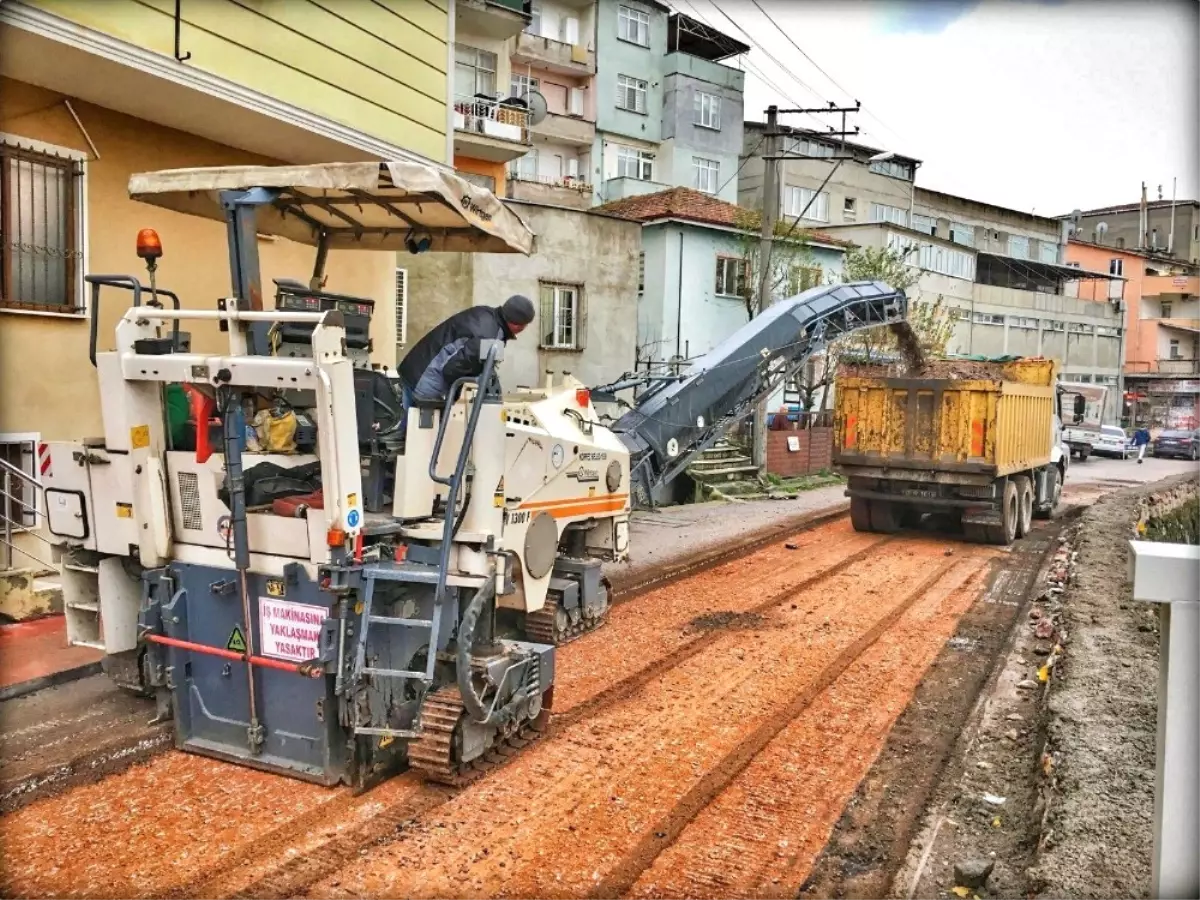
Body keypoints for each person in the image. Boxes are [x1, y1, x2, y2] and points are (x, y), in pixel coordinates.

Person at [398, 295, 535, 402]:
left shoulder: (485, 312)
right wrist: (478, 377)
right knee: (421, 433)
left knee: (405, 430)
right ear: (518, 325)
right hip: (427, 382)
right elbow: (452, 370)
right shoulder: (490, 338)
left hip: (415, 368)